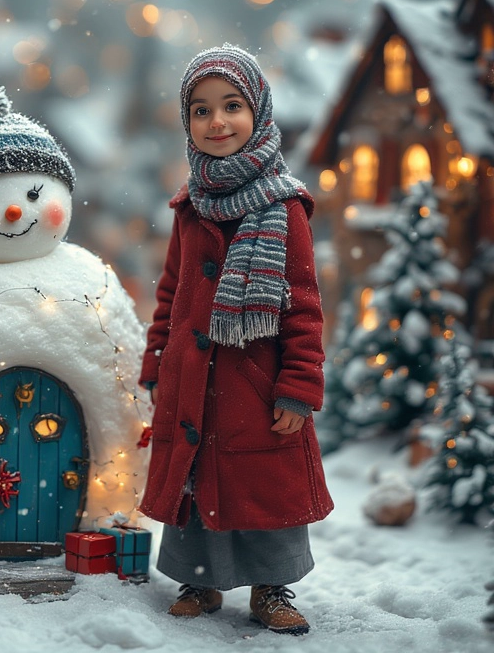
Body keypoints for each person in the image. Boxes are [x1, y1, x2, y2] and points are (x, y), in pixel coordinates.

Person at [138, 44, 333, 636]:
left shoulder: (284, 206)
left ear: (260, 113)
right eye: (200, 110)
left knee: (263, 489)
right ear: (187, 123)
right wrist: (156, 364)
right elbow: (171, 293)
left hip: (255, 384)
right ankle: (199, 579)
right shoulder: (189, 207)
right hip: (193, 378)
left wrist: (298, 389)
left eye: (231, 106)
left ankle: (271, 587)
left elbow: (304, 310)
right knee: (196, 481)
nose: (217, 122)